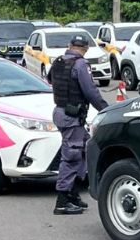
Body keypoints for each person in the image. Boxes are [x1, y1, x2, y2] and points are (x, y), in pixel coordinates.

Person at [47, 34, 109, 215]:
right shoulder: (80, 64)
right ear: (86, 49)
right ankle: (62, 200)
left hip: (61, 112)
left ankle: (73, 193)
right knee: (72, 156)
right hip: (71, 117)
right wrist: (106, 110)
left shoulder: (58, 61)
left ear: (69, 45)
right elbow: (91, 92)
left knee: (83, 150)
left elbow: (50, 80)